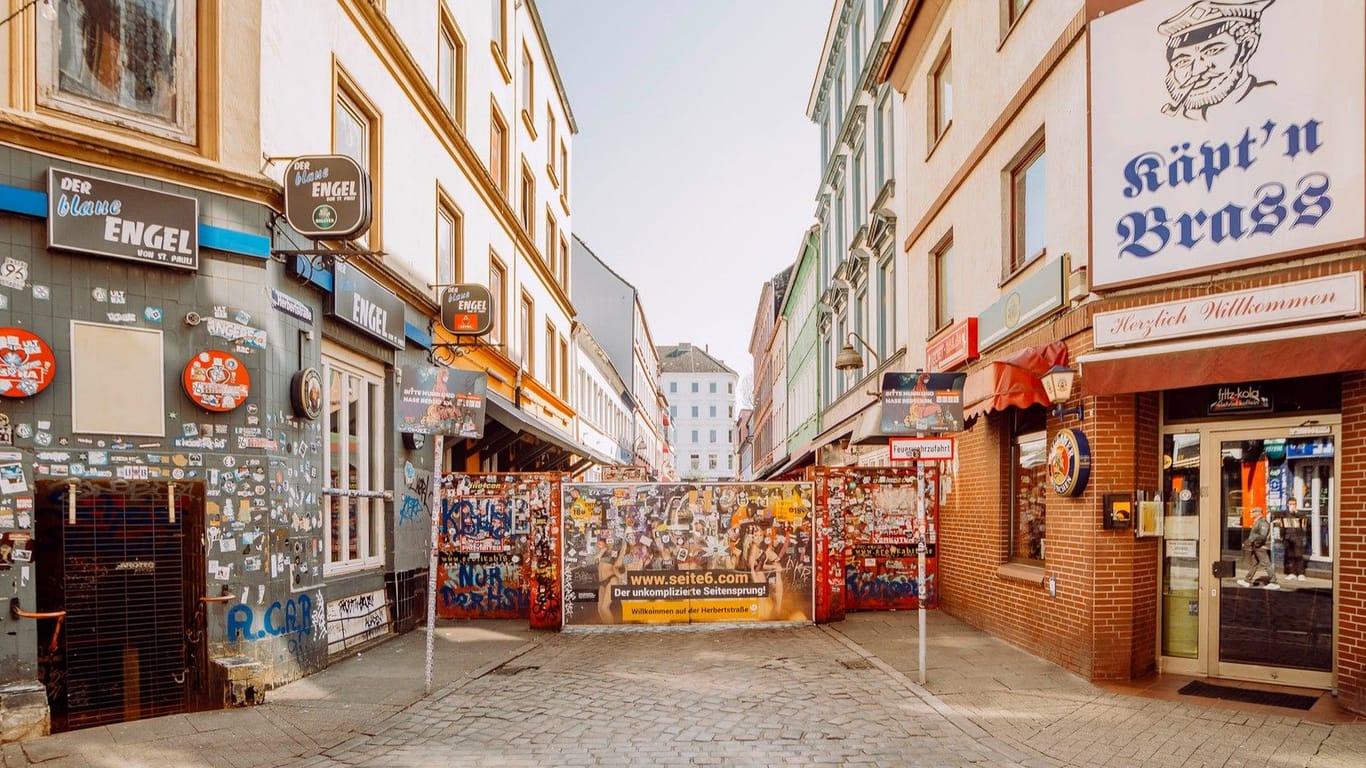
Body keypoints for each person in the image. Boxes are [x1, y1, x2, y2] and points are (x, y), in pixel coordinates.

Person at [1157, 0, 1276, 121]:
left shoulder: (1268, 98)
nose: (1197, 70)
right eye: (1182, 62)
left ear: (1246, 47)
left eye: (1212, 51)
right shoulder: (1183, 119)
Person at [1238, 507, 1279, 589]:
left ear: (1258, 513)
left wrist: (1256, 544)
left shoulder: (1263, 522)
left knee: (1266, 564)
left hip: (1259, 547)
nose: (1251, 514)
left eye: (1252, 512)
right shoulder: (1257, 522)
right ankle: (1247, 580)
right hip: (1256, 546)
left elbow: (1262, 536)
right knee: (1254, 564)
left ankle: (1273, 582)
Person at [1281, 497, 1307, 581]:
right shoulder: (1284, 514)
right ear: (1287, 505)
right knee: (1290, 556)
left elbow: (1304, 524)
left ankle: (1301, 573)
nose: (1292, 506)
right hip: (1288, 538)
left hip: (1298, 538)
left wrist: (1296, 513)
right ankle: (1292, 573)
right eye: (1290, 504)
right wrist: (1282, 537)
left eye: (1294, 504)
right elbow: (1282, 527)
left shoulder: (1300, 514)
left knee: (1298, 556)